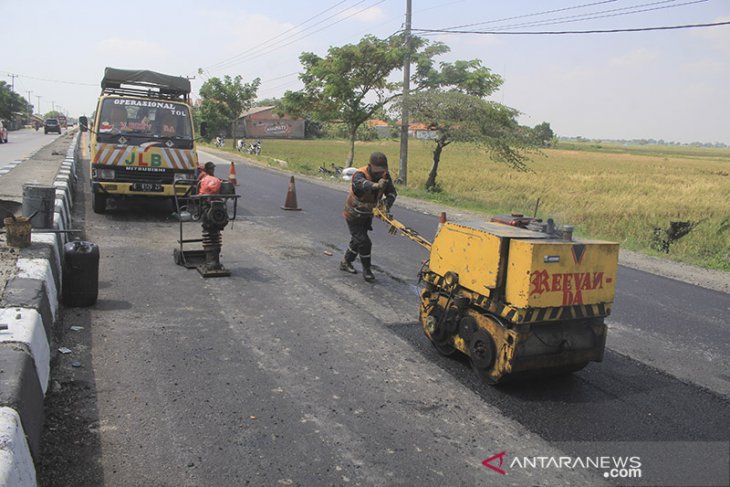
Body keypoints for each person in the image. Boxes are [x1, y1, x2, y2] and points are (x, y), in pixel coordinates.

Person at [340, 152, 397, 282]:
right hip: (353, 214)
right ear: (370, 166)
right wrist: (376, 185)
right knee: (364, 242)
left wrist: (386, 205)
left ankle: (345, 262)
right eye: (377, 171)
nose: (379, 174)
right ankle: (367, 270)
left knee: (357, 241)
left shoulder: (385, 176)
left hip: (367, 215)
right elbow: (360, 184)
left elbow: (392, 193)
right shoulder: (360, 174)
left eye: (382, 170)